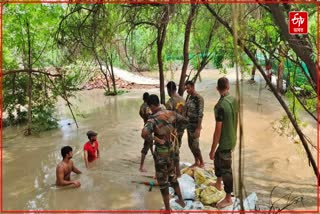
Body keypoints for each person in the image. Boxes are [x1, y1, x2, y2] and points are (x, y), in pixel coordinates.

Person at [141, 94, 186, 211]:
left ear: (151, 105)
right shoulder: (171, 113)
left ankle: (167, 210)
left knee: (163, 183)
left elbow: (144, 134)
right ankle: (180, 200)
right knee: (172, 176)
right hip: (172, 150)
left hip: (161, 154)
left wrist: (155, 139)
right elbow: (184, 121)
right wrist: (175, 132)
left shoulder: (153, 118)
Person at [209, 77, 238, 209]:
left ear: (217, 89)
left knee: (226, 170)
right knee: (217, 161)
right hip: (232, 137)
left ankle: (228, 198)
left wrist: (212, 149)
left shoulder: (219, 106)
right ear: (228, 87)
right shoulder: (234, 100)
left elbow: (218, 130)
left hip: (225, 141)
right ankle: (218, 183)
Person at [165, 81, 186, 177]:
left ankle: (175, 171)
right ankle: (175, 169)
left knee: (173, 149)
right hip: (182, 128)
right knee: (177, 146)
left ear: (169, 90)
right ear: (176, 89)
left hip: (173, 130)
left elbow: (168, 118)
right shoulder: (183, 100)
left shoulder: (170, 102)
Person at [184, 81, 205, 168]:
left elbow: (200, 114)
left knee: (195, 146)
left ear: (193, 87)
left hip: (195, 126)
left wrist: (198, 128)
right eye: (186, 88)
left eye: (188, 88)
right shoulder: (189, 97)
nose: (187, 90)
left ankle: (202, 163)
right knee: (190, 145)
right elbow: (186, 110)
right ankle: (196, 161)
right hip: (189, 125)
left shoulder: (199, 98)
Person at [139, 92, 153, 172]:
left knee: (149, 142)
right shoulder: (148, 107)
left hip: (145, 125)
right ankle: (141, 167)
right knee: (146, 145)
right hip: (149, 127)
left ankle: (153, 154)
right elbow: (150, 116)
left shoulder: (142, 106)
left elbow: (141, 114)